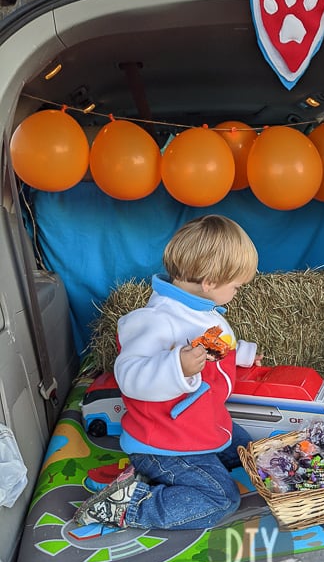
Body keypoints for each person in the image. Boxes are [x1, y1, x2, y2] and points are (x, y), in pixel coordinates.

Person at [74, 214, 261, 531]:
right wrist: (177, 367)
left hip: (200, 425)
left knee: (249, 453)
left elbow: (210, 343)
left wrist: (241, 353)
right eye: (236, 286)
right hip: (164, 442)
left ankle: (144, 478)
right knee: (221, 498)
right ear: (210, 282)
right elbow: (130, 375)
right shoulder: (156, 319)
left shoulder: (197, 308)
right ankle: (128, 506)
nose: (237, 292)